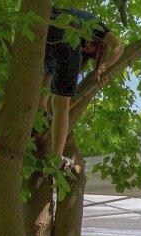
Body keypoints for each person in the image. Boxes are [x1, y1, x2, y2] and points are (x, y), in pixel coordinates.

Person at [43, 8, 123, 166]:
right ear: (97, 43)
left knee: (47, 74)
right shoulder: (96, 25)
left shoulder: (68, 11)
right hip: (66, 35)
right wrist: (103, 67)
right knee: (61, 103)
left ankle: (41, 115)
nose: (87, 50)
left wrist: (44, 110)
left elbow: (47, 77)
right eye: (92, 51)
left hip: (43, 30)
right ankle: (57, 158)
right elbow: (119, 47)